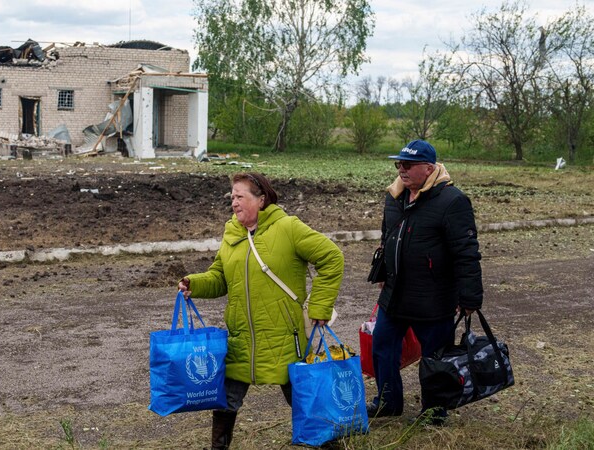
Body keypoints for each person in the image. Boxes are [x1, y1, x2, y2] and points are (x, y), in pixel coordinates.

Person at [178, 172, 344, 449]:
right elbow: (220, 277)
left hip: (283, 336)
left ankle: (329, 445)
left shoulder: (288, 228)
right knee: (227, 400)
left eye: (240, 196)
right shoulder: (232, 232)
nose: (234, 202)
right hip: (241, 335)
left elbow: (332, 257)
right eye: (232, 196)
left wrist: (320, 305)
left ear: (261, 199)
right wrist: (194, 283)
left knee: (302, 397)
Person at [367, 139, 483, 425]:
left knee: (435, 358)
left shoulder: (453, 201)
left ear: (428, 168)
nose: (401, 170)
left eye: (408, 165)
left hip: (433, 298)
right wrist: (383, 273)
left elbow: (466, 252)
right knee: (382, 346)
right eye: (398, 164)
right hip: (394, 295)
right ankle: (387, 402)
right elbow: (387, 238)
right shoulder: (394, 197)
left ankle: (434, 411)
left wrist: (470, 298)